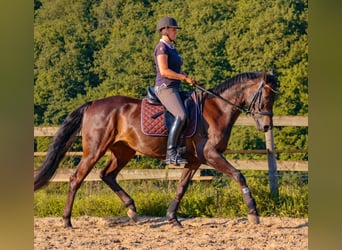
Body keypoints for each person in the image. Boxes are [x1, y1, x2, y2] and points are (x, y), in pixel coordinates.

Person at [154, 16, 197, 165]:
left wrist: (187, 77)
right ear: (165, 30)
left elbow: (176, 69)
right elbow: (164, 71)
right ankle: (171, 153)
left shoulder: (172, 48)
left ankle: (183, 147)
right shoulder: (162, 48)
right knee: (181, 115)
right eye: (173, 29)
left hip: (175, 87)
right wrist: (183, 78)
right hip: (165, 88)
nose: (175, 32)